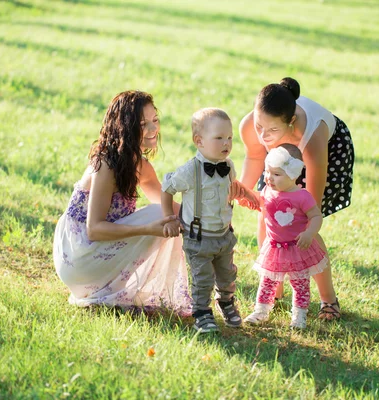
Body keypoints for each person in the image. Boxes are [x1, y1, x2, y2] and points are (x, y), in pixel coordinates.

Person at [53, 90, 192, 315]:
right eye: (143, 124)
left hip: (96, 257)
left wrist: (208, 221)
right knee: (159, 217)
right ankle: (106, 293)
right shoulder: (107, 164)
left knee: (166, 214)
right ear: (125, 127)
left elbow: (171, 207)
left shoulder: (141, 166)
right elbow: (95, 229)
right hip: (78, 258)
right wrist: (148, 230)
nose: (153, 129)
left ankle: (110, 292)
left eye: (155, 121)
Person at [238, 77, 354, 320]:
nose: (263, 135)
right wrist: (242, 191)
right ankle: (274, 291)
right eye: (260, 126)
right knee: (266, 217)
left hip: (327, 153)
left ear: (290, 122)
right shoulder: (252, 125)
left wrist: (307, 222)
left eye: (272, 130)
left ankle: (328, 300)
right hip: (279, 162)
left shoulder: (312, 136)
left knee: (301, 226)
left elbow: (312, 207)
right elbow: (255, 158)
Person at [161, 108, 258, 333]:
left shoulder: (229, 166)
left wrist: (247, 194)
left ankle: (225, 302)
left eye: (229, 138)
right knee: (202, 277)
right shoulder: (190, 171)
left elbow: (233, 187)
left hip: (224, 234)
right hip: (199, 237)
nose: (226, 143)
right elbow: (167, 188)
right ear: (199, 141)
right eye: (219, 138)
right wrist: (169, 218)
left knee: (227, 274)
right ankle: (201, 312)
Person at [244, 144, 329, 329]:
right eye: (267, 172)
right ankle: (261, 311)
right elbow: (262, 201)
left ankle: (299, 316)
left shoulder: (302, 196)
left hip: (297, 247)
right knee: (267, 281)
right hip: (274, 247)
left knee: (300, 283)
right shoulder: (268, 190)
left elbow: (315, 216)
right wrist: (251, 199)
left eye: (276, 174)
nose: (269, 177)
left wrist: (309, 232)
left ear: (293, 174)